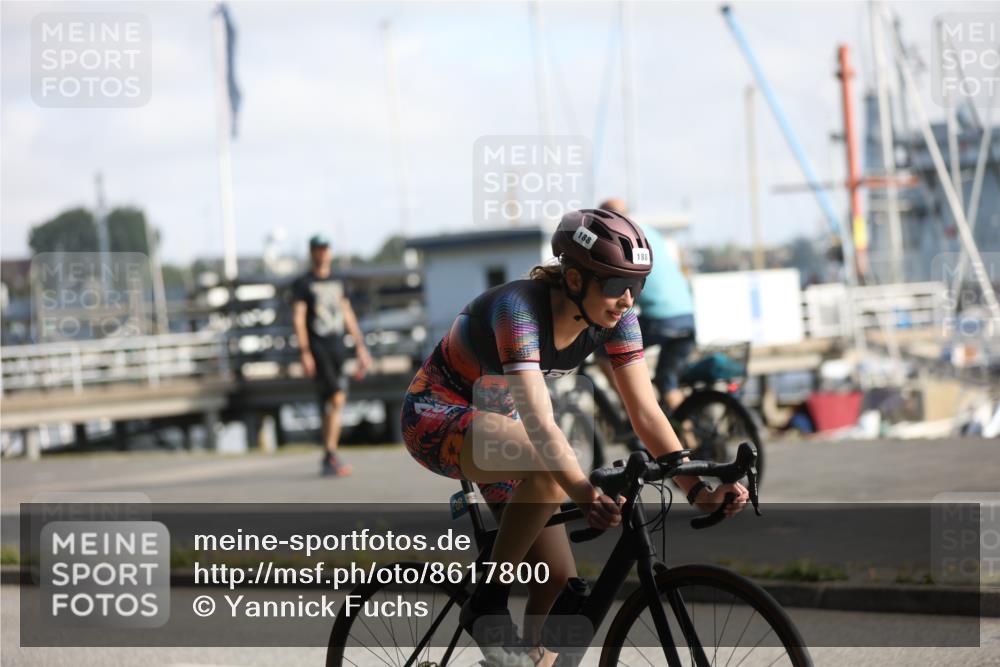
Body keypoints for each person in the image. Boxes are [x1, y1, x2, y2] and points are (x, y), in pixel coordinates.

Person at [400, 209, 748, 666]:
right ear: (575, 278)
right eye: (613, 284)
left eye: (636, 286)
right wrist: (584, 493)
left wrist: (698, 491)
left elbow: (646, 412)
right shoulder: (518, 311)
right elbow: (541, 422)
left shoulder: (618, 321)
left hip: (503, 429)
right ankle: (487, 600)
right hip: (437, 413)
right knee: (548, 470)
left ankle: (522, 660)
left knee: (558, 580)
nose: (626, 299)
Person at [596, 198, 696, 411]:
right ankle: (689, 438)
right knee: (667, 384)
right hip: (687, 317)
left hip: (662, 319)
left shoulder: (619, 239)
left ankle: (633, 408)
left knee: (604, 352)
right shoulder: (649, 232)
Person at [292, 234, 372, 477]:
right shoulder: (304, 283)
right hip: (318, 347)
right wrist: (304, 352)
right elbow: (298, 318)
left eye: (326, 248)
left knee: (336, 400)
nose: (323, 252)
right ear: (312, 252)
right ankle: (329, 453)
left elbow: (347, 312)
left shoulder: (339, 280)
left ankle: (329, 453)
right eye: (318, 248)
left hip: (338, 345)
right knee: (335, 397)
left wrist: (360, 346)